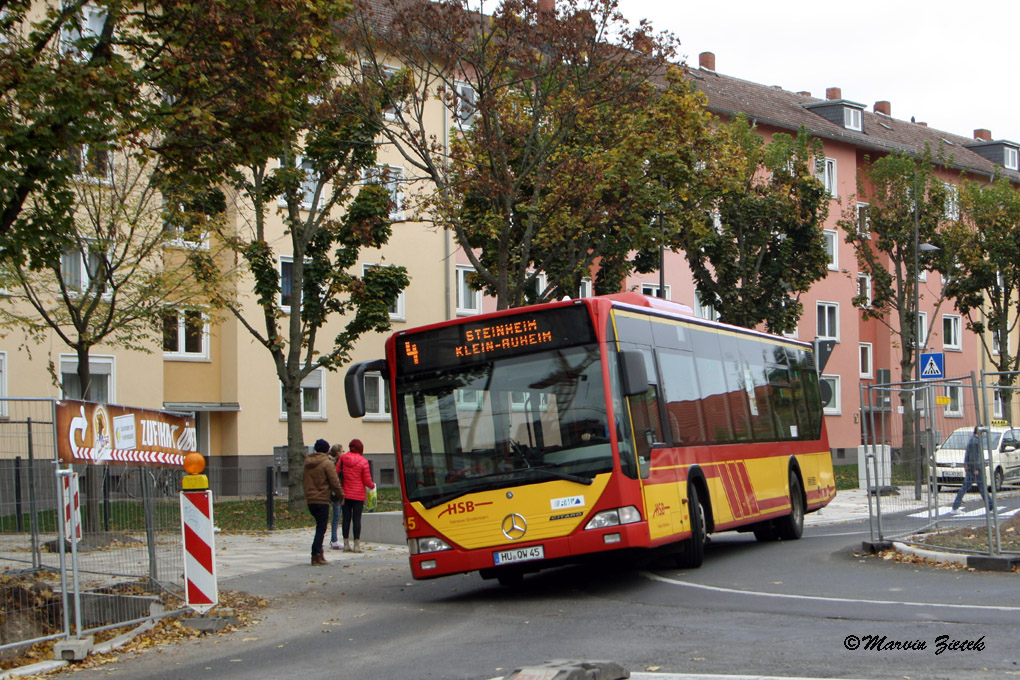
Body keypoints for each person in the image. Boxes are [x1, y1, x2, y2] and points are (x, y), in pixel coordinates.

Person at [303, 439, 344, 565]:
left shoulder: (307, 463)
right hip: (321, 499)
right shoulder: (326, 463)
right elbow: (334, 481)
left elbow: (303, 480)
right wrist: (341, 495)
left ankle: (320, 554)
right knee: (321, 528)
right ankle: (315, 554)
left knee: (319, 526)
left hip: (310, 499)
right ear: (327, 450)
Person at [339, 438, 376, 553]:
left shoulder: (343, 458)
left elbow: (335, 472)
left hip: (345, 493)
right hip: (358, 495)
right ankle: (356, 545)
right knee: (357, 519)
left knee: (346, 519)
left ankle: (345, 544)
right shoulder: (363, 461)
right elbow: (367, 481)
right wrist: (372, 486)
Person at [951, 426, 993, 514]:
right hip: (974, 469)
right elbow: (974, 457)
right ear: (978, 431)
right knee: (977, 487)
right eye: (983, 432)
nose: (984, 434)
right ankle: (955, 507)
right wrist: (976, 468)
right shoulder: (975, 442)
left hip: (973, 468)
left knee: (978, 487)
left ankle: (991, 506)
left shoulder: (975, 440)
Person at [328, 443, 345, 549]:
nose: (343, 453)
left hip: (336, 493)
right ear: (337, 453)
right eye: (342, 451)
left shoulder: (336, 462)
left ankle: (334, 539)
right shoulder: (333, 463)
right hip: (335, 494)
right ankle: (334, 540)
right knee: (336, 516)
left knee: (337, 516)